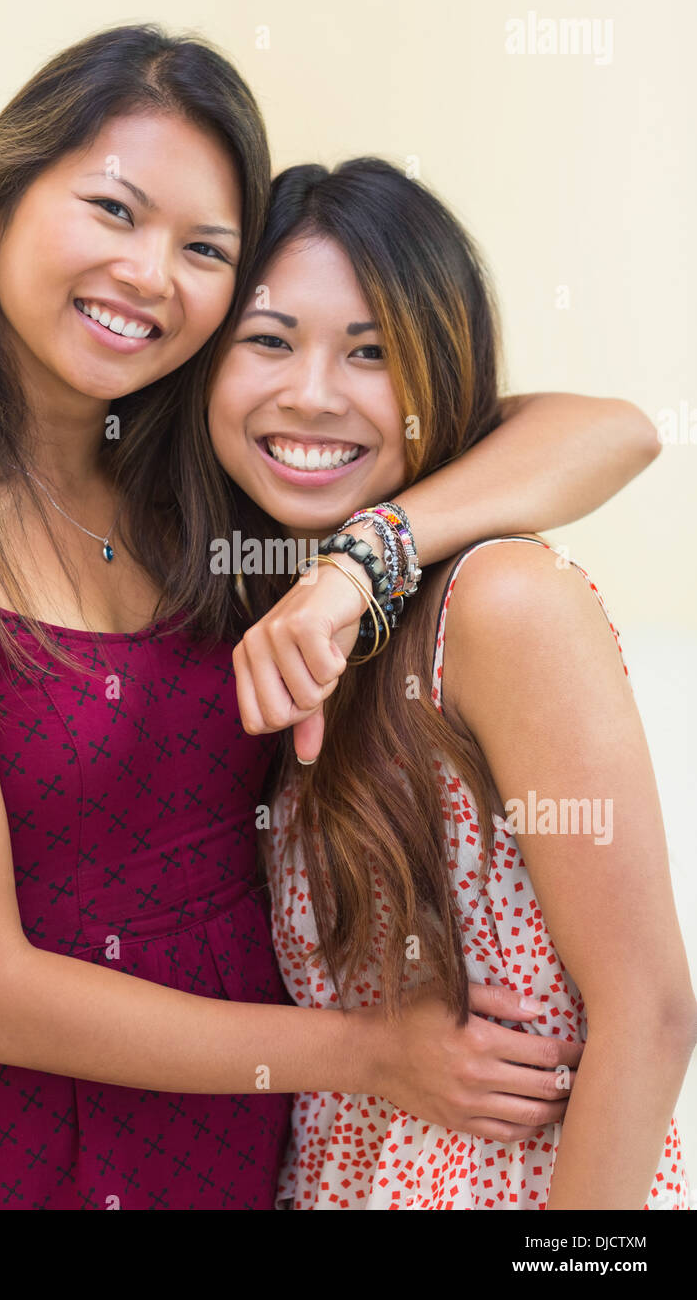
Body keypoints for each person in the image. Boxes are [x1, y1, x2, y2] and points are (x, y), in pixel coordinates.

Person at [0, 24, 663, 1211]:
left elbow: (606, 429)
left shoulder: (206, 482)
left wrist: (357, 564)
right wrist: (371, 1053)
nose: (151, 275)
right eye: (113, 212)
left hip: (255, 1142)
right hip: (34, 1137)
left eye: (204, 248)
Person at [199, 157, 696, 1209]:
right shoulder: (262, 619)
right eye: (268, 339)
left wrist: (362, 556)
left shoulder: (499, 602)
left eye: (371, 351)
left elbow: (649, 1014)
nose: (312, 392)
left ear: (437, 371)